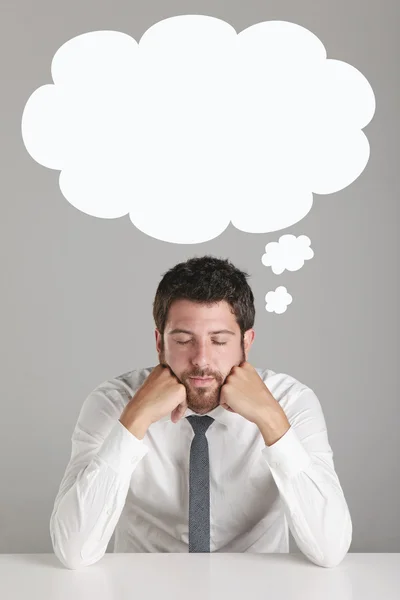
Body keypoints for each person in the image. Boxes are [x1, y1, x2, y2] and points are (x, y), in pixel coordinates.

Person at [50, 255, 352, 570]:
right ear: (159, 342)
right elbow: (74, 551)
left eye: (219, 341)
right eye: (183, 340)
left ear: (246, 342)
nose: (201, 360)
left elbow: (329, 549)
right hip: (143, 586)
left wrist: (272, 422)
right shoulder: (112, 402)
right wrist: (134, 420)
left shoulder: (291, 401)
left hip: (259, 586)